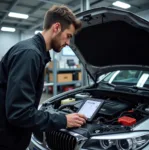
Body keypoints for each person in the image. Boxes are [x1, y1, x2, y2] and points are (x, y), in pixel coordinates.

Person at [0, 5, 87, 150]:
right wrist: (63, 120)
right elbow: (19, 113)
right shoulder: (30, 54)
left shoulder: (34, 52)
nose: (68, 43)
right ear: (57, 27)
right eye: (69, 36)